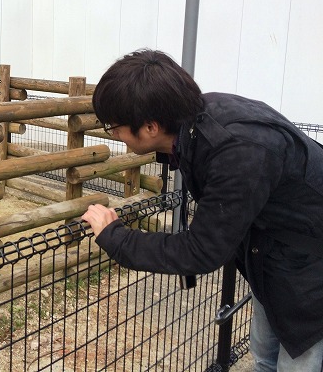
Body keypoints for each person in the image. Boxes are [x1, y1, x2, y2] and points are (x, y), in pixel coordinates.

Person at [82, 49, 323, 371]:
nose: (112, 133)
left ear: (151, 126)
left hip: (311, 267)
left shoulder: (237, 151)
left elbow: (202, 250)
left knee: (301, 357)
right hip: (276, 253)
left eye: (115, 126)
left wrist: (115, 237)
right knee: (264, 355)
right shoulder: (199, 119)